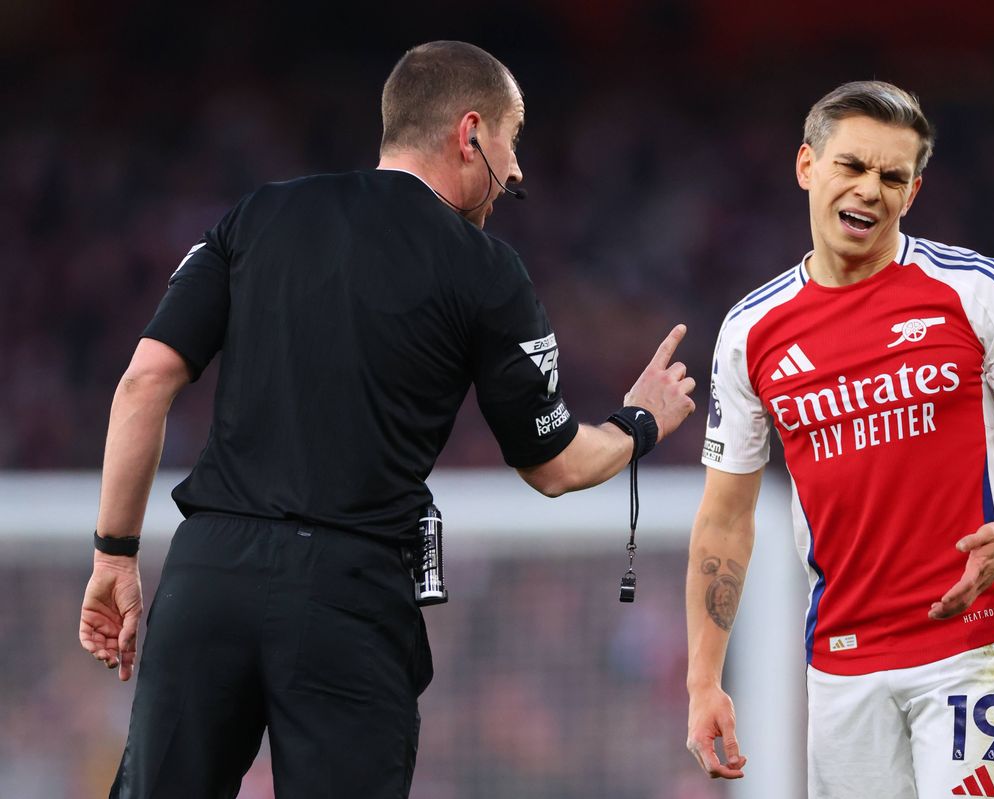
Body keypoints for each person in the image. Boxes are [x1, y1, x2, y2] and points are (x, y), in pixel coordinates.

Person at [78, 40, 696, 799]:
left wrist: (114, 556)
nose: (519, 171)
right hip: (348, 588)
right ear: (470, 133)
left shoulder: (258, 214)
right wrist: (641, 421)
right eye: (513, 140)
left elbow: (144, 382)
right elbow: (556, 464)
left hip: (209, 572)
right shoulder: (485, 268)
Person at [684, 81, 994, 797]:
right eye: (852, 166)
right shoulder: (750, 331)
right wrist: (702, 680)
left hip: (970, 645)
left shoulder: (973, 291)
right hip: (842, 662)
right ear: (807, 166)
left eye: (893, 176)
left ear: (913, 192)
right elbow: (724, 518)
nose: (870, 190)